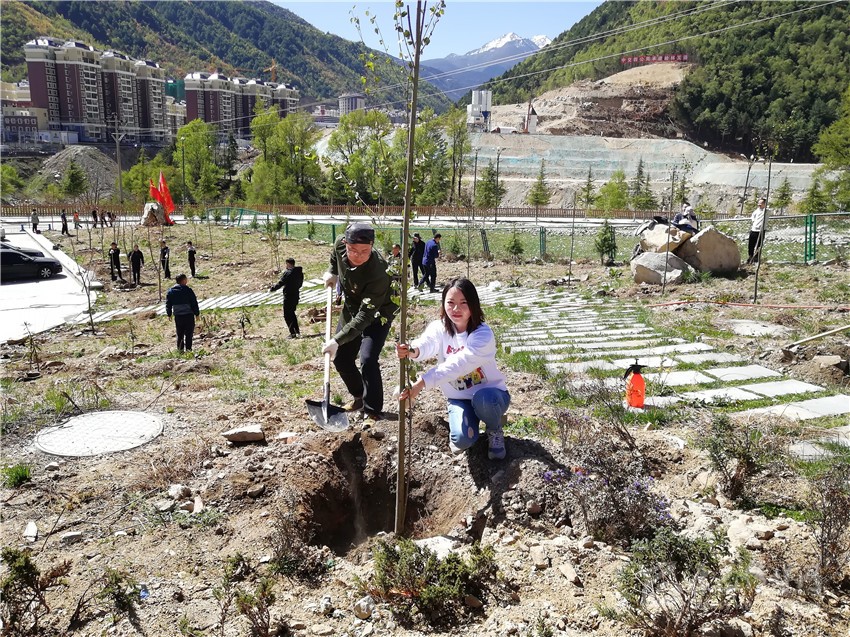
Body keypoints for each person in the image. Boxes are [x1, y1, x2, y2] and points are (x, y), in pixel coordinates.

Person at [397, 278, 510, 460]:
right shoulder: (440, 327)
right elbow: (427, 343)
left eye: (463, 303)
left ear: (473, 304)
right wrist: (412, 349)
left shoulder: (483, 334)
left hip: (490, 395)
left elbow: (459, 364)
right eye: (450, 303)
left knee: (484, 400)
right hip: (459, 398)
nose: (456, 309)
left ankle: (494, 428)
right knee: (461, 440)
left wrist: (423, 382)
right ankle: (469, 422)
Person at [322, 222, 398, 420]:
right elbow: (335, 254)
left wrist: (337, 339)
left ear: (372, 246)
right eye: (353, 250)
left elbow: (365, 316)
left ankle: (373, 411)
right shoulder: (340, 244)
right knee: (341, 359)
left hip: (378, 313)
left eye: (365, 251)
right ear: (346, 244)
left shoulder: (379, 272)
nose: (358, 256)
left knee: (368, 359)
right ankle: (359, 397)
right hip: (352, 307)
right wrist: (333, 271)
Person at [269, 257, 304, 338]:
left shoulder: (288, 273)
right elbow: (300, 284)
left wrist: (272, 288)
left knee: (287, 315)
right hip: (296, 295)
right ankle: (297, 331)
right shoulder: (299, 272)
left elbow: (281, 282)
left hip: (288, 296)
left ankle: (292, 333)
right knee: (292, 313)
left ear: (288, 264)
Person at [166, 274, 200, 353]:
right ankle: (189, 350)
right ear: (184, 280)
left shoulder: (171, 291)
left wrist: (169, 314)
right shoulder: (188, 290)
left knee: (180, 334)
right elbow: (194, 303)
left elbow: (168, 304)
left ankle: (180, 351)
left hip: (178, 316)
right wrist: (197, 313)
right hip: (188, 315)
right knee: (189, 334)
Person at [747, 197, 768, 264]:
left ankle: (756, 258)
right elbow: (753, 219)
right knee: (751, 245)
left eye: (761, 203)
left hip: (761, 231)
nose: (759, 205)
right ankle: (750, 257)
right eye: (758, 203)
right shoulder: (756, 211)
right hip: (754, 230)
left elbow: (769, 211)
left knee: (759, 246)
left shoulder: (766, 211)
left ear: (764, 204)